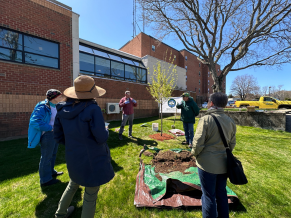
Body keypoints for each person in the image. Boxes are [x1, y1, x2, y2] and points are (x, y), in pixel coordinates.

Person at [53, 75, 115, 218]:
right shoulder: (93, 109)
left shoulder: (61, 110)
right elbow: (101, 138)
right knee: (90, 196)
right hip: (93, 160)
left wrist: (74, 145)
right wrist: (105, 130)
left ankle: (60, 214)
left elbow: (58, 136)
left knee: (73, 184)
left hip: (73, 157)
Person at [191, 92, 236, 218]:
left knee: (208, 195)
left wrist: (194, 154)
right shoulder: (230, 121)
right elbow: (232, 144)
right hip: (224, 164)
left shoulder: (205, 119)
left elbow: (197, 143)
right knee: (221, 193)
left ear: (211, 103)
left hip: (207, 166)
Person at [28, 89, 64, 186]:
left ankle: (51, 172)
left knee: (53, 154)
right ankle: (45, 180)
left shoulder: (56, 106)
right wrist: (51, 128)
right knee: (46, 157)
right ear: (54, 98)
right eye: (60, 96)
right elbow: (34, 121)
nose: (62, 98)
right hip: (48, 135)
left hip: (55, 134)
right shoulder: (42, 106)